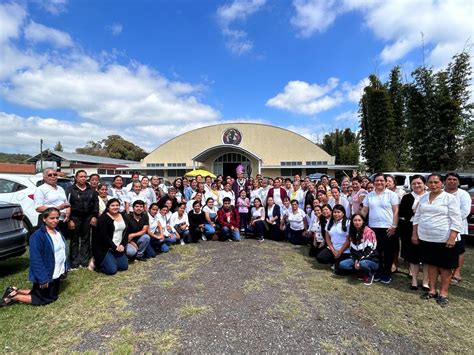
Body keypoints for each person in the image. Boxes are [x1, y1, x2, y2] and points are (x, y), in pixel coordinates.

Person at [412, 173, 462, 307]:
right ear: (427, 184)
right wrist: (414, 234)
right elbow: (416, 218)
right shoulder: (422, 198)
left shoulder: (449, 198)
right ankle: (432, 290)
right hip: (426, 238)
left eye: (436, 182)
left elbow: (456, 219)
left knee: (445, 267)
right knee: (431, 265)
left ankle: (443, 293)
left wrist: (452, 237)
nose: (433, 185)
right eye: (431, 182)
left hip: (444, 238)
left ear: (442, 184)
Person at [1, 208, 68, 307]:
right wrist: (43, 278)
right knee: (44, 299)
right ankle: (14, 297)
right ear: (44, 219)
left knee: (51, 295)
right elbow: (36, 259)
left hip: (56, 271)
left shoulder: (57, 231)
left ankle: (14, 291)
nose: (55, 220)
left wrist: (65, 267)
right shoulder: (37, 236)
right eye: (52, 218)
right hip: (46, 273)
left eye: (57, 218)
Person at [361, 173, 399, 284]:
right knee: (377, 252)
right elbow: (364, 210)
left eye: (381, 180)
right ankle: (378, 271)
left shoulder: (392, 195)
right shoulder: (370, 195)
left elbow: (396, 211)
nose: (379, 182)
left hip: (388, 228)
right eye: (376, 180)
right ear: (373, 182)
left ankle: (387, 273)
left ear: (386, 182)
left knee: (388, 252)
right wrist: (358, 220)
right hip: (373, 228)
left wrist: (394, 226)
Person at [398, 175, 429, 290]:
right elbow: (402, 213)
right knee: (412, 256)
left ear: (424, 184)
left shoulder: (429, 196)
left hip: (426, 229)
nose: (416, 185)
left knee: (426, 256)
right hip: (410, 229)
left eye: (419, 183)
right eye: (414, 183)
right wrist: (414, 211)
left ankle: (426, 281)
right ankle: (414, 280)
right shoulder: (407, 197)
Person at [66, 170, 99, 269]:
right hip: (75, 217)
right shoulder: (70, 190)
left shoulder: (91, 190)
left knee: (85, 239)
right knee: (74, 240)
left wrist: (94, 216)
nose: (83, 178)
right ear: (76, 178)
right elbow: (67, 205)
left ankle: (84, 261)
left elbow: (95, 204)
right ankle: (74, 262)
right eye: (81, 176)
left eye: (85, 177)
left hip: (88, 217)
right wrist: (69, 220)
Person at [444, 172, 471, 283]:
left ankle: (457, 272)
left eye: (454, 179)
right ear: (445, 181)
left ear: (458, 182)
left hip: (459, 227)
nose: (452, 181)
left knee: (459, 250)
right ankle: (445, 270)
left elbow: (465, 212)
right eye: (449, 179)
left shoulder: (463, 194)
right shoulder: (440, 193)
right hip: (442, 227)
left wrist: (451, 220)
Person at [338, 214, 379, 285]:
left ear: (363, 221)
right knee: (342, 265)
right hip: (357, 259)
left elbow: (371, 250)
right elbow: (352, 250)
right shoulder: (353, 232)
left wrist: (359, 261)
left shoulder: (369, 232)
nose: (357, 222)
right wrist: (356, 260)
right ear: (352, 222)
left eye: (359, 220)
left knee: (363, 263)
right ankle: (360, 271)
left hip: (371, 260)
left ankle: (369, 274)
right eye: (355, 220)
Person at [93, 199, 128, 275]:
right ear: (108, 207)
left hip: (118, 247)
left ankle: (112, 260)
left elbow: (126, 233)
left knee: (123, 267)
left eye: (117, 205)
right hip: (106, 248)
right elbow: (104, 237)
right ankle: (96, 264)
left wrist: (122, 245)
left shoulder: (123, 216)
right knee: (112, 270)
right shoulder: (103, 218)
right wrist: (114, 247)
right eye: (112, 205)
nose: (115, 207)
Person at [34, 168, 70, 232]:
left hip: (62, 220)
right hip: (50, 221)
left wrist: (67, 213)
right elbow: (38, 208)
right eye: (50, 175)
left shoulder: (60, 188)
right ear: (44, 177)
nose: (53, 176)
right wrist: (58, 208)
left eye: (55, 174)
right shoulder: (40, 189)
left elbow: (66, 203)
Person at [316, 205, 351, 270]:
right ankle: (334, 260)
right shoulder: (330, 222)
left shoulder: (348, 223)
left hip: (344, 251)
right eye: (334, 212)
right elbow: (327, 237)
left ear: (343, 213)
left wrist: (339, 252)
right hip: (333, 249)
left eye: (338, 212)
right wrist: (333, 250)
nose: (336, 214)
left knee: (339, 270)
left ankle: (338, 261)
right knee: (320, 258)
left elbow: (348, 240)